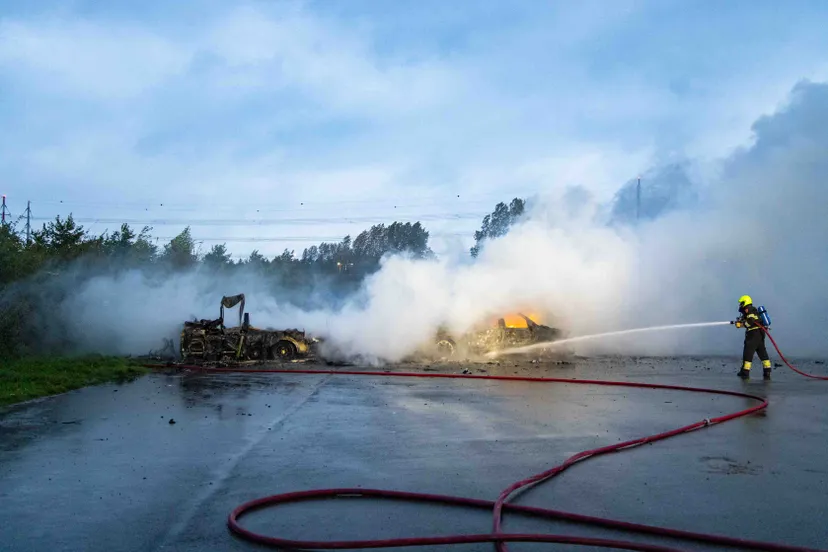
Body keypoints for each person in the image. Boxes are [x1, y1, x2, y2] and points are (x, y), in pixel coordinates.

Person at [733, 295, 771, 380]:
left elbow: (750, 322)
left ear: (745, 303)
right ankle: (767, 371)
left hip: (753, 334)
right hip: (760, 334)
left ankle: (745, 372)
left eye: (741, 304)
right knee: (762, 352)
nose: (740, 306)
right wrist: (740, 321)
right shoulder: (754, 311)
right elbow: (751, 319)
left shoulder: (749, 310)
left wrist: (741, 325)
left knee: (748, 352)